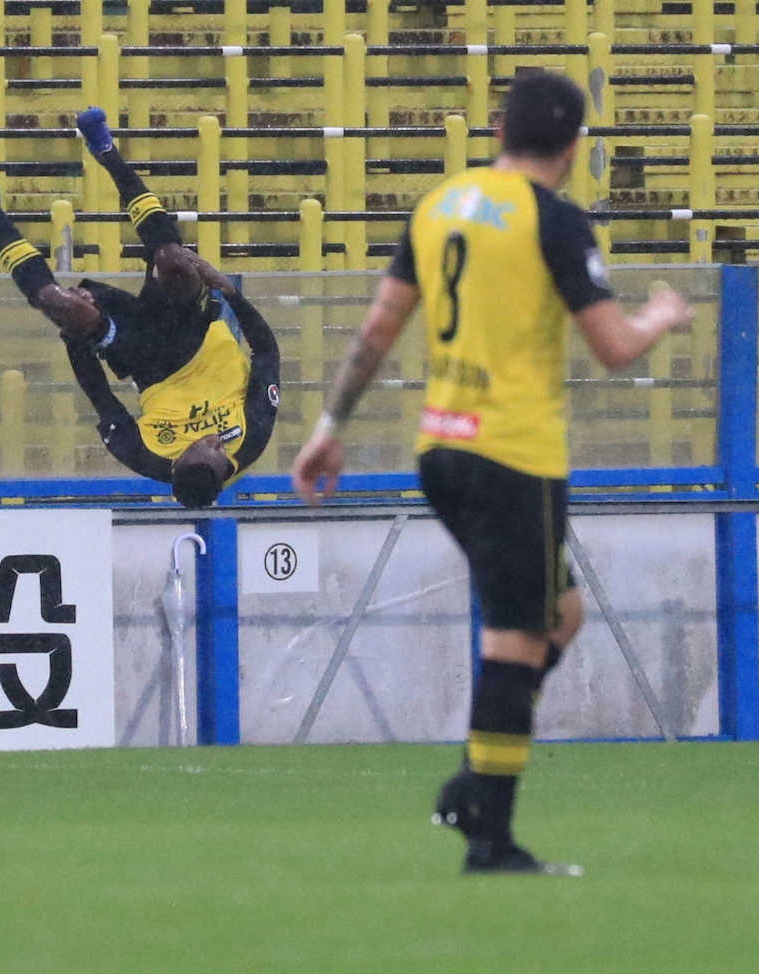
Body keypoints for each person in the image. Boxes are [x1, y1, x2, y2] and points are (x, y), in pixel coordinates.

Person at [291, 72, 694, 874]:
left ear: (500, 131)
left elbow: (378, 328)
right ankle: (490, 837)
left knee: (561, 615)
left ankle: (475, 778)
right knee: (517, 638)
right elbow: (615, 347)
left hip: (441, 451)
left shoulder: (439, 205)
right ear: (574, 148)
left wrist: (329, 428)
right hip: (513, 453)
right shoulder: (554, 219)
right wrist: (659, 316)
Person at [0, 108, 280, 508]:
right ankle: (106, 150)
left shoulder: (148, 456)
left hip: (144, 359)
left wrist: (75, 336)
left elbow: (99, 395)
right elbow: (267, 351)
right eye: (221, 452)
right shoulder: (251, 438)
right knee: (171, 259)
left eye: (207, 447)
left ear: (180, 461)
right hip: (196, 331)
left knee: (56, 302)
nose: (216, 442)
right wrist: (229, 293)